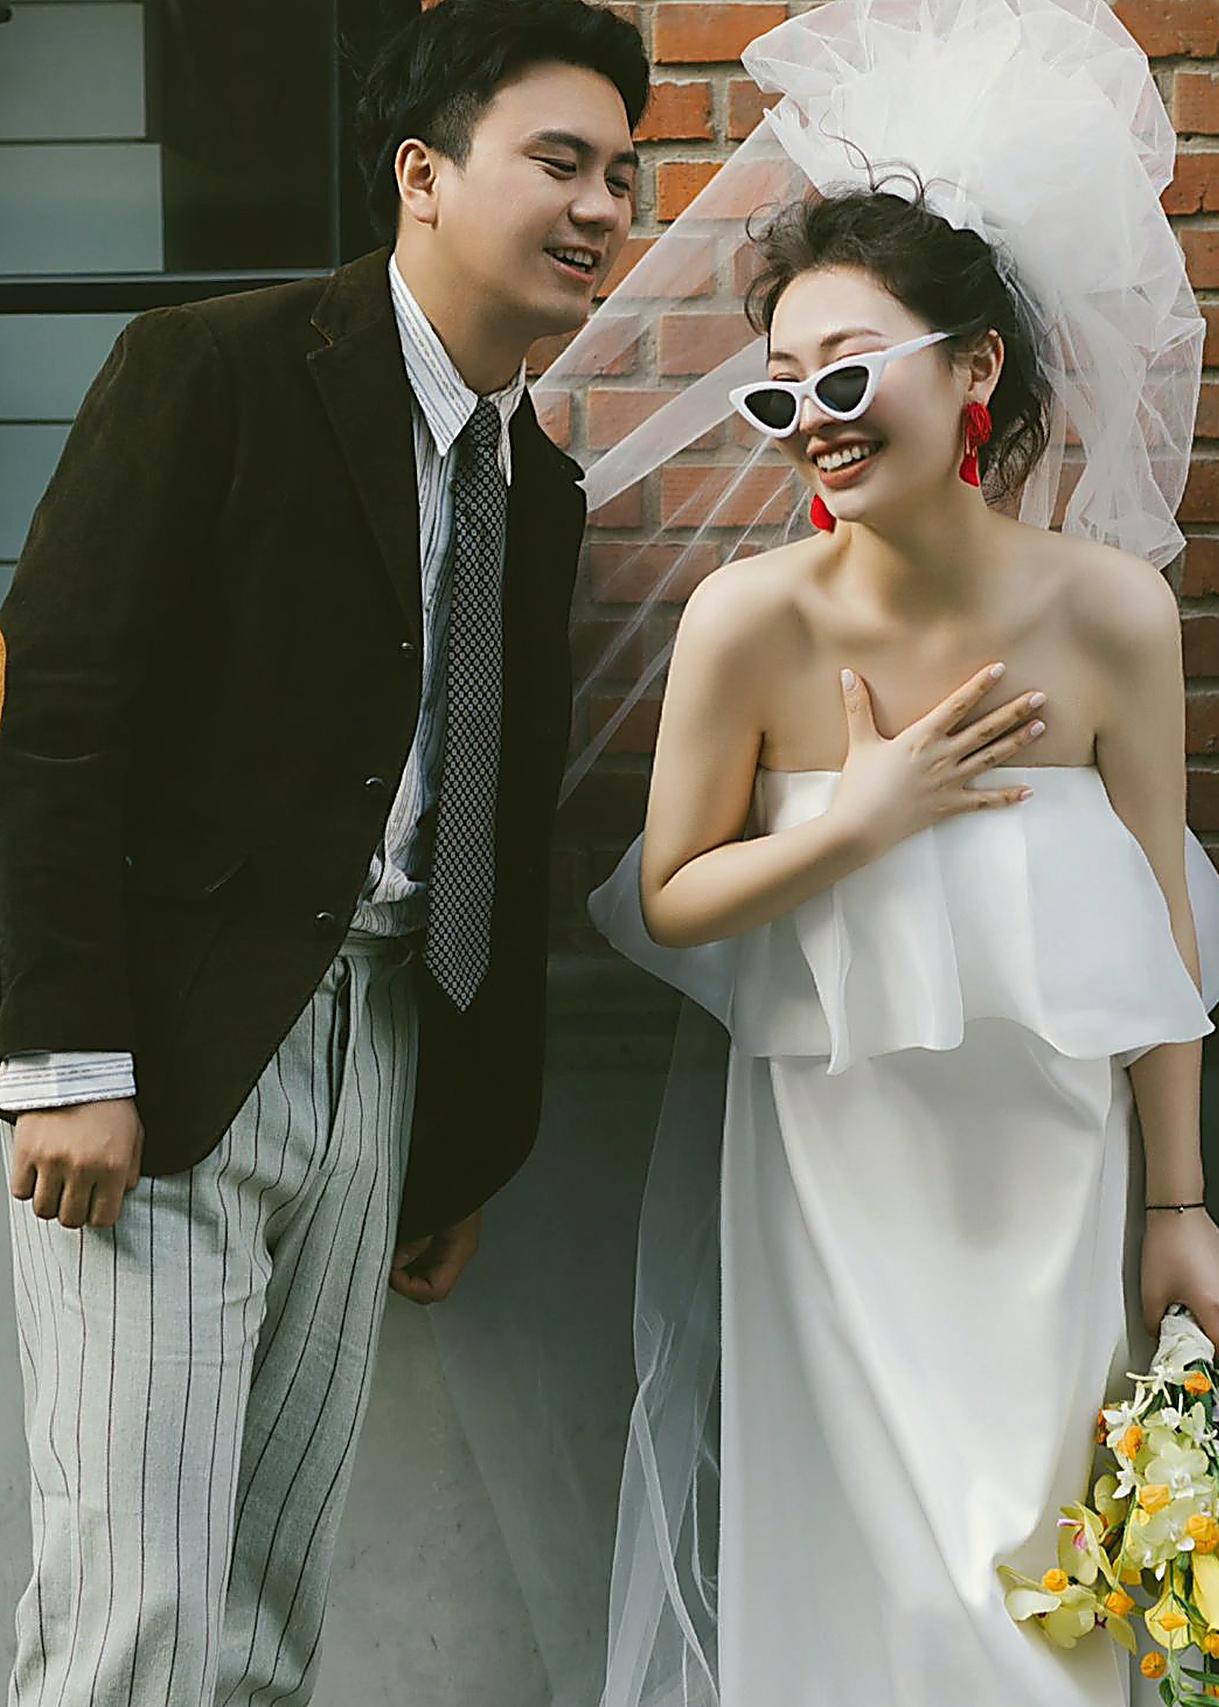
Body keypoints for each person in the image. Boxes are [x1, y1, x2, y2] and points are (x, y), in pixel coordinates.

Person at [428, 0, 1219, 1701]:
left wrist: (1181, 1206)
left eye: (852, 373)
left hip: (1054, 1181)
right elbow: (673, 896)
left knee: (1047, 1614)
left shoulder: (1115, 615)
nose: (814, 414)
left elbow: (1163, 932)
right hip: (830, 1180)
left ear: (977, 371)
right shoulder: (753, 621)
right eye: (783, 386)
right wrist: (865, 817)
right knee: (864, 1608)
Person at [0, 1, 647, 1700]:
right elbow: (55, 717)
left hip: (389, 1060)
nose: (601, 209)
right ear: (423, 174)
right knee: (136, 1615)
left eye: (623, 177)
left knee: (268, 1620)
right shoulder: (212, 370)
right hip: (168, 1054)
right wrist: (64, 1061)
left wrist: (460, 1145)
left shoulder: (537, 491)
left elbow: (490, 808)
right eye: (561, 162)